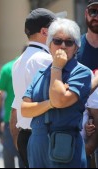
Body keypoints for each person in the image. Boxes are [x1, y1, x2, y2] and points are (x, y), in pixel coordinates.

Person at [21, 18, 91, 167]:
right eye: (58, 41)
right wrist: (50, 103)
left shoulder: (81, 72)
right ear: (50, 45)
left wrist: (57, 68)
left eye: (69, 42)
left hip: (64, 142)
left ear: (76, 47)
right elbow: (25, 110)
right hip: (38, 141)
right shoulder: (40, 73)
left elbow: (60, 101)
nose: (63, 46)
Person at [10, 8, 56, 168]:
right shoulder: (46, 59)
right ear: (45, 31)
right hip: (43, 136)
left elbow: (15, 107)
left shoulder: (18, 61)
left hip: (26, 136)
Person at [76, 0, 98, 166]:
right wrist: (88, 118)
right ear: (86, 14)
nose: (96, 17)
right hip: (86, 128)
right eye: (93, 12)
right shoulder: (76, 48)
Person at [0, 56, 24, 168]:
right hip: (31, 120)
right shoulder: (44, 62)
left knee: (9, 157)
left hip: (10, 120)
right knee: (25, 159)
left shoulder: (8, 67)